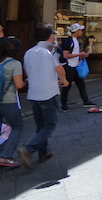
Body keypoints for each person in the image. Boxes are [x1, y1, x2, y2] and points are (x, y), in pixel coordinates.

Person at [17, 24, 69, 169]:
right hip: (48, 92)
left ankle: (43, 152)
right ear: (50, 36)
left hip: (33, 93)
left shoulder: (29, 52)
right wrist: (63, 80)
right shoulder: (47, 52)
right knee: (51, 124)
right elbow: (59, 69)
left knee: (41, 125)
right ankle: (28, 149)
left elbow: (29, 71)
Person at [0, 37, 26, 171]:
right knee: (17, 126)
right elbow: (19, 84)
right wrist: (26, 82)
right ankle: (6, 156)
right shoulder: (15, 64)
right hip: (7, 100)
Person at [59, 23, 95, 112]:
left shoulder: (75, 41)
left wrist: (80, 56)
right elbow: (65, 55)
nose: (81, 31)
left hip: (75, 66)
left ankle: (86, 101)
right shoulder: (69, 41)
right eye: (80, 30)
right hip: (69, 66)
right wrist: (79, 54)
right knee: (67, 86)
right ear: (76, 31)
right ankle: (63, 104)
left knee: (81, 84)